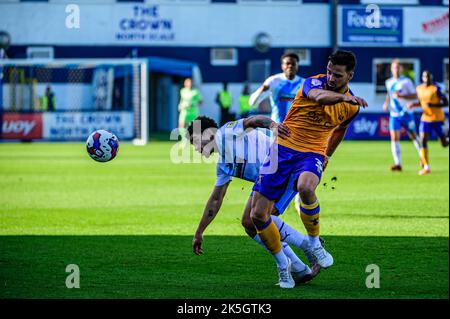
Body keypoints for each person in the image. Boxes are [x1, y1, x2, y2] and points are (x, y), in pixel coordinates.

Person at [250, 50, 368, 288]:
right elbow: (319, 96)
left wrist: (327, 155)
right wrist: (344, 98)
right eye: (329, 72)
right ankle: (288, 265)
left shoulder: (351, 107)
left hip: (312, 152)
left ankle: (314, 242)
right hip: (282, 149)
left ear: (350, 76)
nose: (331, 78)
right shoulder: (313, 82)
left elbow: (340, 129)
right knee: (256, 216)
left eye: (337, 75)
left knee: (306, 186)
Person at [187, 115, 321, 285]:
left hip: (285, 170)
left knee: (260, 217)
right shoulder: (223, 165)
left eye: (194, 140)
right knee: (249, 223)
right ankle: (299, 267)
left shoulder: (226, 132)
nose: (195, 148)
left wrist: (272, 125)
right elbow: (215, 199)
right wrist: (199, 232)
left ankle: (306, 249)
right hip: (267, 181)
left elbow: (253, 120)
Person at [407, 70, 449, 175]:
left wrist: (434, 105)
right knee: (422, 140)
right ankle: (426, 166)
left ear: (431, 77)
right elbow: (421, 102)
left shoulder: (437, 88)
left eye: (429, 76)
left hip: (438, 118)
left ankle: (445, 140)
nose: (427, 78)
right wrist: (413, 105)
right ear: (422, 78)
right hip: (425, 118)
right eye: (425, 77)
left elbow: (445, 102)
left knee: (444, 144)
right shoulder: (419, 88)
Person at [383, 59, 422, 172]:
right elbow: (389, 93)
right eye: (394, 67)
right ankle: (398, 164)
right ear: (391, 69)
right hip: (394, 114)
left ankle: (423, 158)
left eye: (398, 67)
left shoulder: (406, 81)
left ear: (401, 69)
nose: (396, 69)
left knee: (413, 135)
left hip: (406, 113)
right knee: (394, 138)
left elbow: (415, 95)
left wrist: (402, 96)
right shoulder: (388, 82)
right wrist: (386, 102)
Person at [249, 53, 305, 123]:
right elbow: (252, 103)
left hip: (297, 127)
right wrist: (261, 90)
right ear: (282, 66)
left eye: (293, 64)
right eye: (287, 63)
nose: (290, 66)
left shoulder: (304, 83)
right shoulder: (273, 81)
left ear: (297, 66)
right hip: (277, 127)